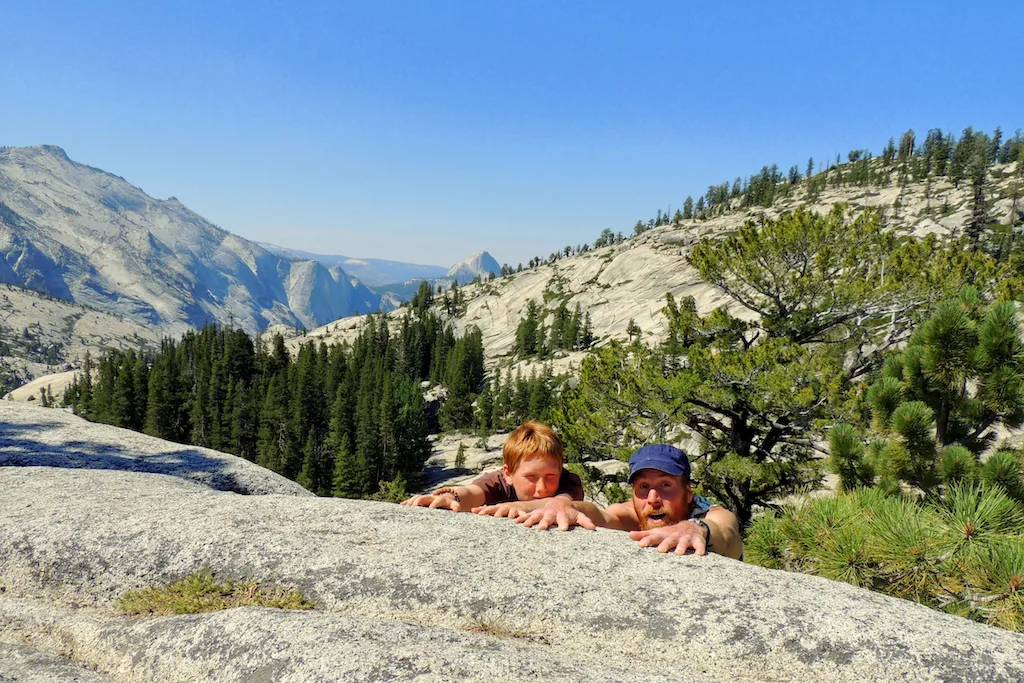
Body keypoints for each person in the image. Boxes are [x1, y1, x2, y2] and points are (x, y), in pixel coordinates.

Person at [479, 444, 743, 559]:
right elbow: (600, 516)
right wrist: (565, 505)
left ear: (688, 492)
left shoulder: (711, 513)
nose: (652, 499)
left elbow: (726, 531)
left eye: (665, 485)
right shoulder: (631, 514)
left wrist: (696, 528)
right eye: (643, 487)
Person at [400, 421, 584, 513]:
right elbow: (472, 493)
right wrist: (449, 497)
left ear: (560, 470)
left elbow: (560, 504)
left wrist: (515, 506)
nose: (542, 487)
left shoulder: (569, 482)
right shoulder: (497, 480)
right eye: (531, 477)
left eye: (550, 476)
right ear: (508, 474)